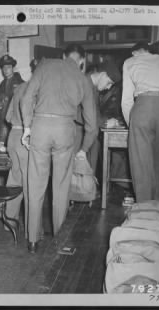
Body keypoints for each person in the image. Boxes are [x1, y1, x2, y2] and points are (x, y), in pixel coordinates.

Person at [21, 44, 97, 253]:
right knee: (61, 188)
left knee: (35, 184)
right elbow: (92, 125)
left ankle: (33, 240)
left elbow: (27, 98)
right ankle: (59, 239)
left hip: (40, 127)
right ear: (82, 60)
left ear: (64, 56)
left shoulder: (44, 66)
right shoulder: (83, 79)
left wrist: (27, 128)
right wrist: (84, 147)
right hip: (65, 129)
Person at [121, 42, 159, 203]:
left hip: (144, 107)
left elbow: (126, 101)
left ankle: (144, 209)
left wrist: (131, 125)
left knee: (141, 164)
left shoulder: (129, 62)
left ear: (134, 53)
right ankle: (157, 205)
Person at [5, 59, 42, 238]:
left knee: (14, 179)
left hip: (12, 137)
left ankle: (8, 223)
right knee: (31, 185)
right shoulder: (39, 90)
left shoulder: (19, 87)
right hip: (26, 140)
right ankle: (31, 231)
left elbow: (7, 116)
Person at [79, 61, 122, 175]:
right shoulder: (85, 84)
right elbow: (88, 114)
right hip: (79, 135)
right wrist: (105, 123)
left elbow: (95, 111)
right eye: (109, 83)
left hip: (89, 133)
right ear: (103, 74)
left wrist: (106, 121)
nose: (108, 87)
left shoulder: (93, 87)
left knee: (88, 174)